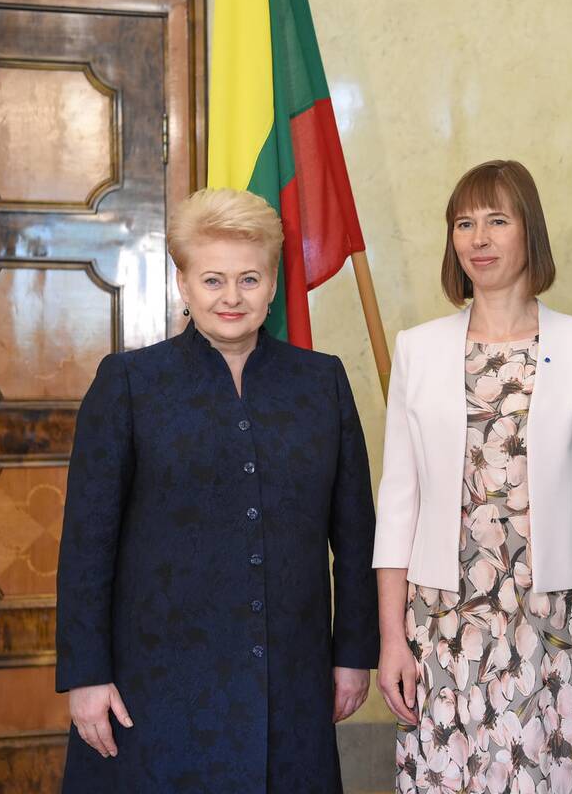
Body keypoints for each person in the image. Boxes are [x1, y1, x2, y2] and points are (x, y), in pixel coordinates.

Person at [55, 188, 379, 793]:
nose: (232, 297)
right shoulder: (129, 384)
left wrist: (353, 654)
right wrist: (85, 675)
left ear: (273, 283)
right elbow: (86, 546)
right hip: (155, 683)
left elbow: (357, 535)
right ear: (183, 283)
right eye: (212, 280)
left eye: (249, 279)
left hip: (290, 676)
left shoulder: (322, 383)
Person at [372, 160, 572, 794]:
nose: (478, 239)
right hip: (441, 622)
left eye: (496, 221)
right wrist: (391, 639)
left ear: (529, 230)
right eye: (464, 224)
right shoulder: (417, 348)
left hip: (557, 622)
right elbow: (398, 504)